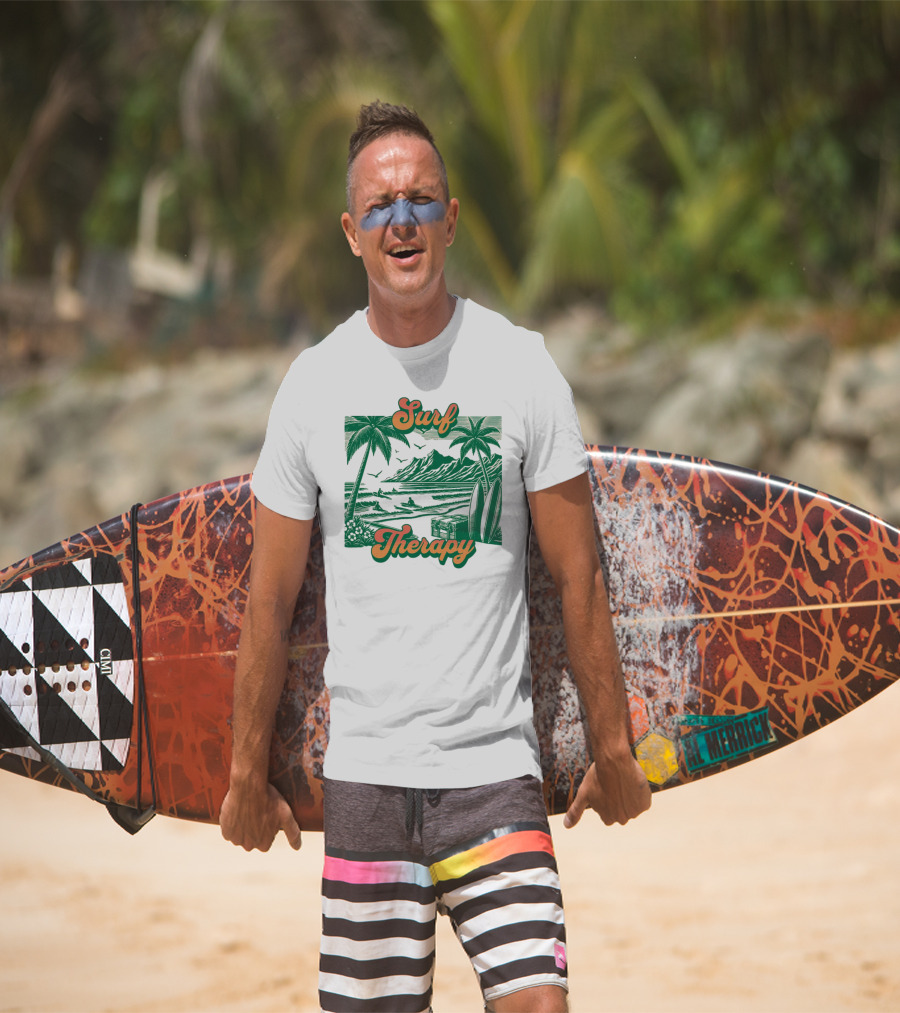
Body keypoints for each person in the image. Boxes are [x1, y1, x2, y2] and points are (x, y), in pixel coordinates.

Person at [220, 100, 651, 1013]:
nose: (402, 220)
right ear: (351, 232)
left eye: (421, 200)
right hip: (368, 779)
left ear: (451, 219)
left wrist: (612, 746)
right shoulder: (314, 387)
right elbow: (269, 600)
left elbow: (579, 575)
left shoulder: (521, 368)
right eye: (380, 206)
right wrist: (242, 772)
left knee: (540, 1003)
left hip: (495, 772)